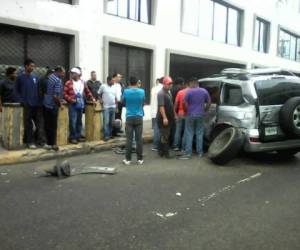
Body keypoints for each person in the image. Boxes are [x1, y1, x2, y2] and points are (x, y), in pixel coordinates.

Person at [15, 59, 46, 149]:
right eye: (31, 66)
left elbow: (38, 90)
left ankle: (41, 141)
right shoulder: (20, 77)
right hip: (27, 105)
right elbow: (16, 91)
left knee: (40, 124)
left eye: (33, 66)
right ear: (26, 66)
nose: (33, 68)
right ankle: (30, 142)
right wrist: (21, 100)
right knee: (28, 125)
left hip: (37, 105)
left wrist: (40, 101)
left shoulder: (35, 77)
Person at [179, 77, 211, 160]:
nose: (190, 85)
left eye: (190, 83)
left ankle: (188, 153)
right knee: (199, 133)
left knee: (189, 133)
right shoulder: (204, 91)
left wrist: (186, 110)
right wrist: (205, 110)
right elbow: (209, 102)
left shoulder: (189, 92)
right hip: (201, 114)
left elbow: (184, 103)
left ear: (193, 83)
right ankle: (199, 152)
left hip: (190, 114)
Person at [64, 67, 95, 144]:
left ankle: (78, 136)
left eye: (73, 73)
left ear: (77, 74)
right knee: (72, 121)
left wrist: (92, 98)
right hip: (72, 105)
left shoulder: (83, 82)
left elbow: (87, 91)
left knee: (79, 121)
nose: (71, 75)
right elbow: (64, 93)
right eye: (71, 73)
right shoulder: (68, 83)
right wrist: (71, 99)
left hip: (80, 104)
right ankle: (72, 137)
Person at [122, 76, 145, 165]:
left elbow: (123, 102)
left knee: (129, 139)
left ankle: (128, 160)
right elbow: (143, 102)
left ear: (129, 82)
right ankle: (140, 159)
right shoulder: (142, 91)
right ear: (137, 82)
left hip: (129, 117)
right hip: (139, 116)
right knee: (139, 139)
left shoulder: (126, 91)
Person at [43, 66, 65, 150]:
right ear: (59, 72)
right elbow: (55, 96)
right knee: (53, 126)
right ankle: (53, 144)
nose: (63, 74)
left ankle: (47, 143)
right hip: (53, 106)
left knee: (47, 125)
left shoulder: (50, 77)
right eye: (63, 73)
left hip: (46, 104)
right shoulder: (58, 80)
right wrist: (60, 104)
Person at [157, 76, 176, 158]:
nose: (170, 85)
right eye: (169, 84)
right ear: (164, 84)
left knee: (164, 135)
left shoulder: (168, 92)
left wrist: (174, 114)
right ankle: (166, 153)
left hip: (169, 117)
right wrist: (164, 117)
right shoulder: (161, 93)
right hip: (163, 118)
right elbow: (161, 106)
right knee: (165, 136)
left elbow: (171, 105)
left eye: (171, 84)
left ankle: (161, 152)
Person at [98, 76, 117, 141]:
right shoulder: (103, 86)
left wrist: (116, 106)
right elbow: (98, 94)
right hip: (106, 107)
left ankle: (110, 134)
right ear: (108, 81)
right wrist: (100, 99)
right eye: (112, 80)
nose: (113, 82)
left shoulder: (114, 87)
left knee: (111, 122)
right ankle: (106, 136)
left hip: (113, 107)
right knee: (106, 122)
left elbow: (115, 97)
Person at [173, 78, 188, 151]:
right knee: (186, 131)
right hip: (188, 114)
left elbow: (175, 104)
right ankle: (183, 147)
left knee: (178, 130)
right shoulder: (191, 92)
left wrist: (175, 113)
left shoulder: (180, 92)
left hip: (180, 113)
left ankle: (176, 146)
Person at [150, 77, 163, 151]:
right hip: (161, 112)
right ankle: (159, 145)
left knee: (156, 129)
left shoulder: (153, 89)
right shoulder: (163, 89)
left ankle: (155, 146)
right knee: (161, 130)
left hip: (154, 111)